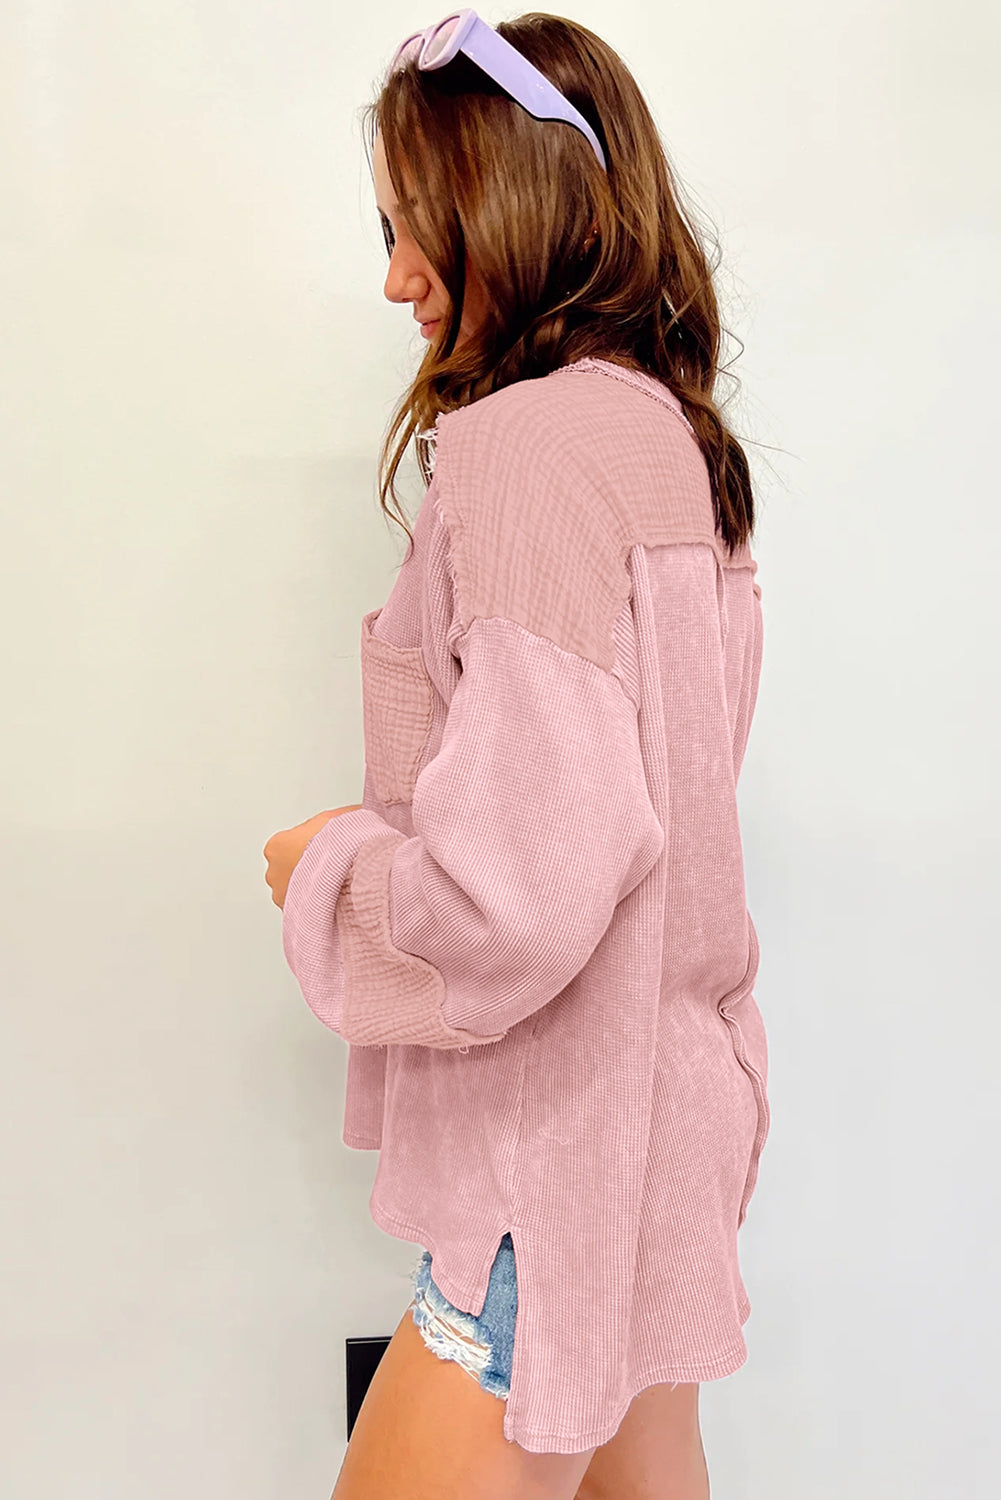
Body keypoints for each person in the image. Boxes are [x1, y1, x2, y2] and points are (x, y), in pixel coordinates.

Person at [265, 11, 769, 1498]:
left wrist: (325, 868)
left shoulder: (530, 450)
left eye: (418, 226)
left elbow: (522, 895)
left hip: (548, 1168)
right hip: (662, 1137)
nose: (395, 276)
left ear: (519, 202)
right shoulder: (669, 442)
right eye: (387, 231)